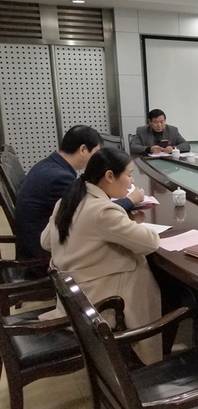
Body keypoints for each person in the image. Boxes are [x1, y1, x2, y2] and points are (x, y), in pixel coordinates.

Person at [39, 148, 162, 365]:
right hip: (96, 299)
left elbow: (46, 241)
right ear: (109, 176)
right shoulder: (103, 211)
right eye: (129, 174)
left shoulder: (68, 199)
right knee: (156, 279)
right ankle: (152, 360)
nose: (132, 181)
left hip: (72, 294)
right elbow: (151, 242)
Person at [15, 125, 144, 260]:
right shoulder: (60, 178)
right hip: (42, 251)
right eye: (96, 153)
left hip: (35, 239)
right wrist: (130, 200)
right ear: (83, 149)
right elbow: (91, 212)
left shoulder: (49, 165)